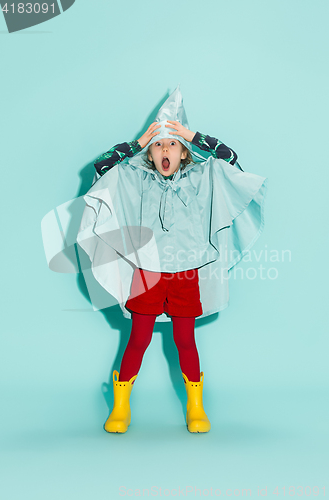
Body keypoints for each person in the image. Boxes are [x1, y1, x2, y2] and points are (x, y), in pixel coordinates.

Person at [76, 86, 267, 434]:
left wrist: (193, 135)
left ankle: (196, 406)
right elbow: (101, 167)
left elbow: (231, 161)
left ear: (184, 152)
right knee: (139, 338)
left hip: (185, 274)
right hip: (147, 274)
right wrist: (136, 144)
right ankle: (121, 406)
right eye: (159, 145)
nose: (166, 149)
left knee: (185, 340)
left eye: (173, 144)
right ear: (151, 154)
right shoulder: (135, 179)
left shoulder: (201, 177)